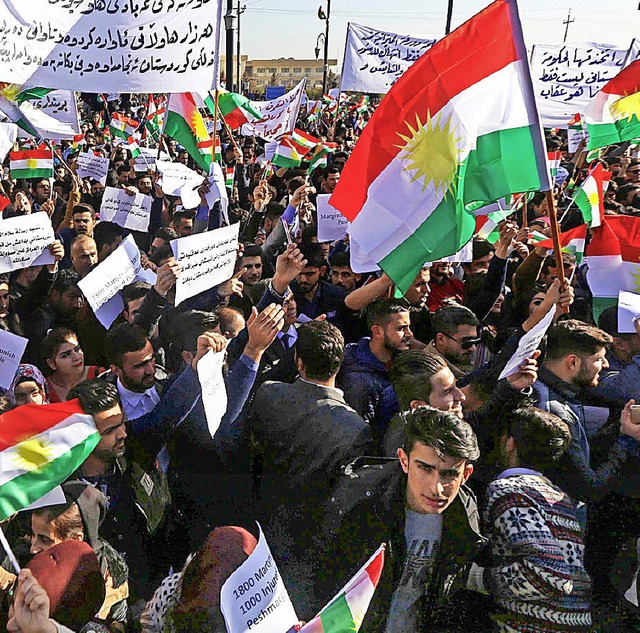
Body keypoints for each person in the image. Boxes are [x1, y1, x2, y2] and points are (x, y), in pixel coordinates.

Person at [317, 407, 487, 631]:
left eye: (449, 474)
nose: (437, 488)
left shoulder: (465, 516)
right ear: (404, 461)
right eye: (425, 468)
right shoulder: (362, 504)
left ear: (465, 475)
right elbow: (322, 578)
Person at [248, 320, 373, 612]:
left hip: (259, 532)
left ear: (298, 361)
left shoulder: (268, 394)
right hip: (311, 550)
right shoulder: (356, 428)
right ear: (339, 363)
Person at [484, 407, 592, 632]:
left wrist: (477, 578)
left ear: (510, 444)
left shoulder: (509, 491)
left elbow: (550, 576)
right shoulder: (561, 498)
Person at [534, 320, 640, 503]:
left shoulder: (556, 397)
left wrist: (620, 428)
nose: (606, 365)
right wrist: (626, 440)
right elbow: (588, 489)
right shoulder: (553, 411)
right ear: (573, 362)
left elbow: (584, 455)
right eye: (598, 359)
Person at [29, 481, 129, 628]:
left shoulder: (110, 578)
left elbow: (119, 623)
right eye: (33, 534)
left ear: (76, 539)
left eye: (44, 539)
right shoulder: (21, 558)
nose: (33, 548)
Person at [338, 298, 412, 437]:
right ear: (377, 332)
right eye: (401, 328)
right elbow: (360, 434)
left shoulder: (403, 361)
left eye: (408, 327)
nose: (409, 334)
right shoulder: (358, 381)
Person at [42, 328, 103, 403]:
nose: (76, 357)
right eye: (66, 355)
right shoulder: (43, 388)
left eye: (77, 349)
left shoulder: (100, 375)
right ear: (51, 363)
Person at [428, 305, 481, 378]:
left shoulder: (466, 367)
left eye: (475, 341)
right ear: (441, 339)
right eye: (466, 342)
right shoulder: (426, 374)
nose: (473, 348)